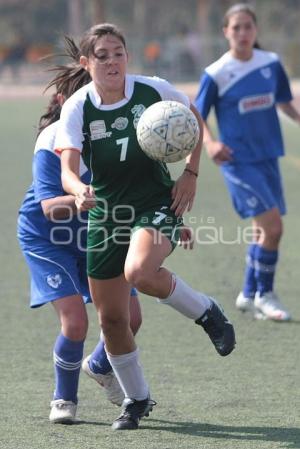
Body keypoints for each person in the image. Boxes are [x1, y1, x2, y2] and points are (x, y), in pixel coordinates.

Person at [55, 23, 236, 431]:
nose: (112, 61)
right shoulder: (78, 106)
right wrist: (78, 188)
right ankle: (136, 400)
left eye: (118, 52)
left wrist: (190, 172)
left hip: (156, 202)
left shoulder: (153, 90)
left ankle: (207, 312)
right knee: (113, 320)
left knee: (140, 272)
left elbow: (193, 117)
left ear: (127, 57)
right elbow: (66, 169)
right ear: (87, 63)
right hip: (106, 214)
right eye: (102, 55)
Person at [17, 36, 143, 425]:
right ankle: (63, 399)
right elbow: (49, 208)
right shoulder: (53, 141)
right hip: (47, 236)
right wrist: (79, 199)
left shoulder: (115, 135)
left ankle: (99, 365)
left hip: (97, 232)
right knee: (75, 321)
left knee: (130, 318)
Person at [195, 3, 300, 321]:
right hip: (237, 161)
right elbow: (197, 114)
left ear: (256, 31)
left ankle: (247, 292)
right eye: (236, 27)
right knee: (273, 227)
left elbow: (284, 101)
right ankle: (265, 295)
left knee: (261, 228)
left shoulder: (270, 63)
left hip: (268, 155)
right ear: (225, 31)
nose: (242, 33)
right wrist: (211, 143)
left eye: (248, 27)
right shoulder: (216, 73)